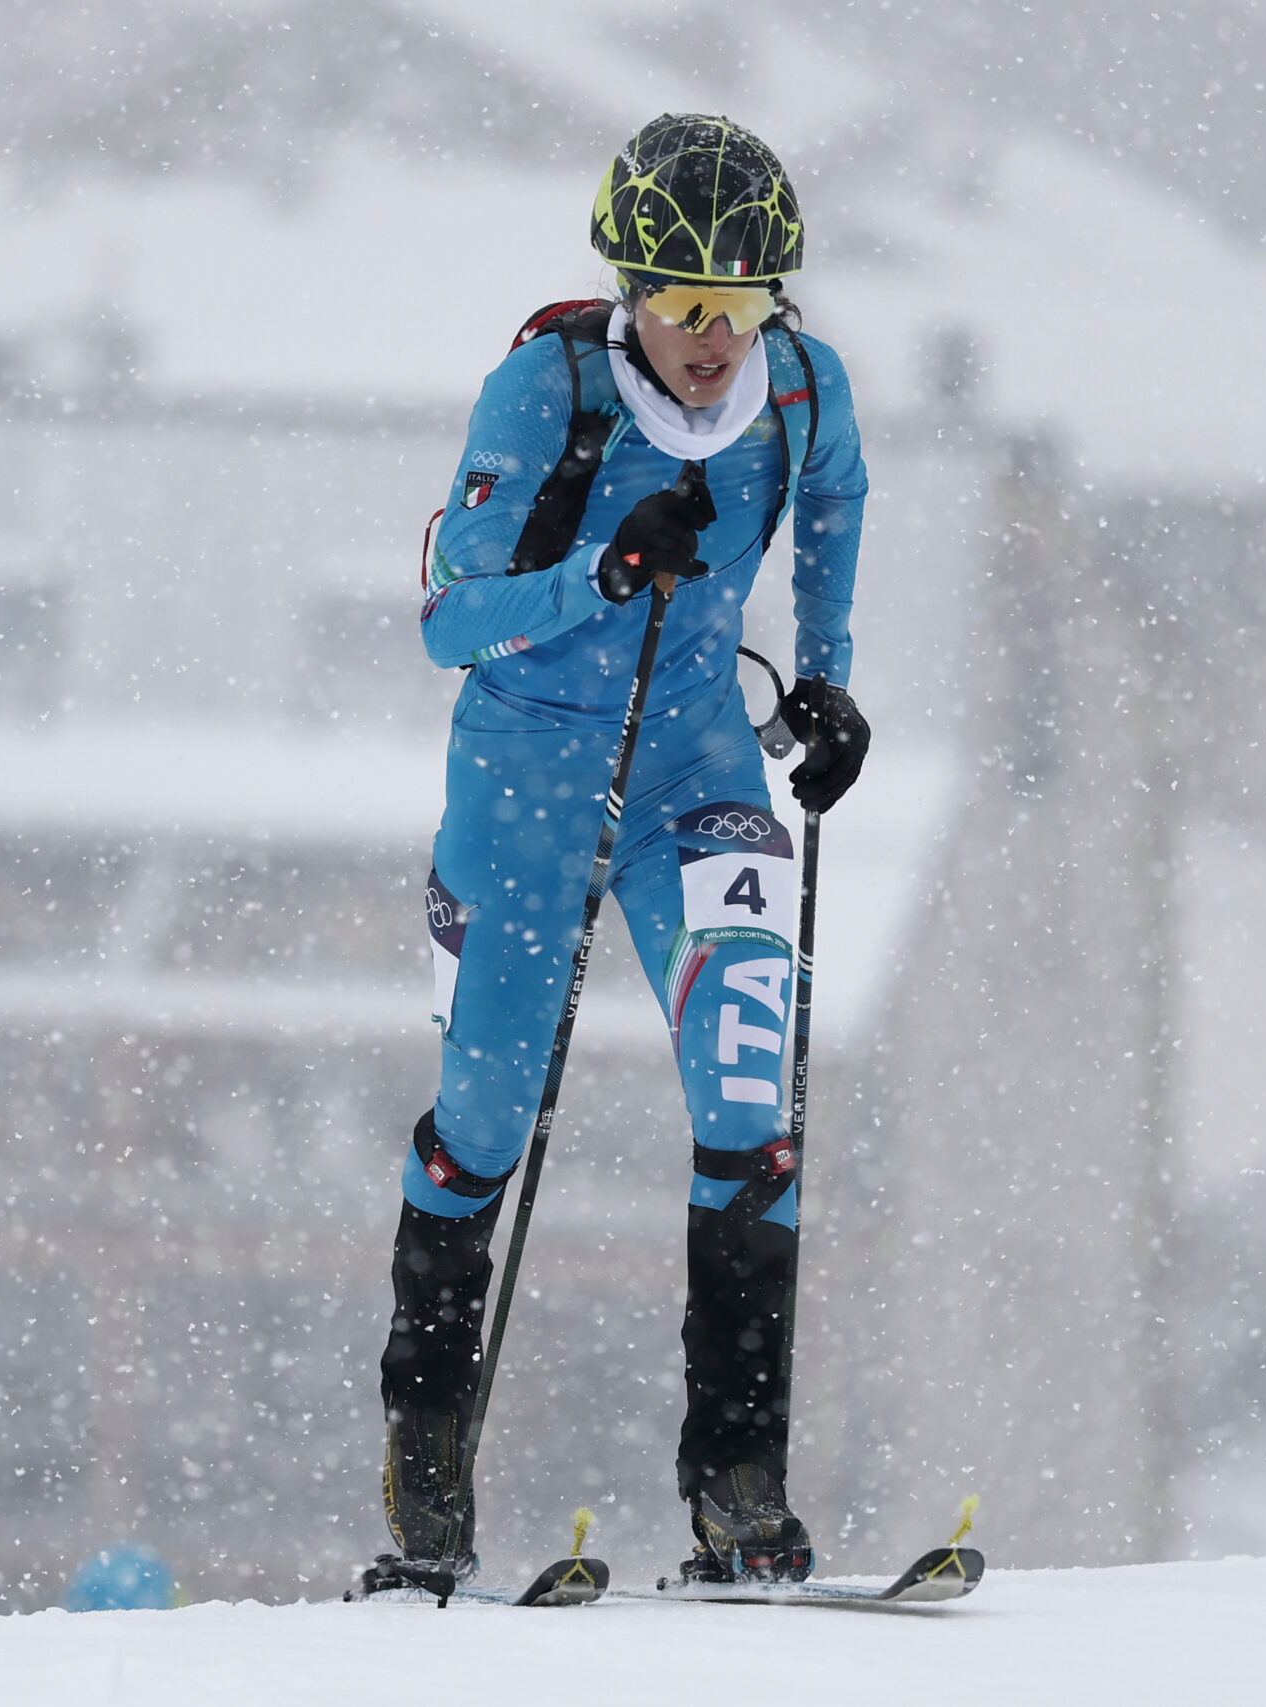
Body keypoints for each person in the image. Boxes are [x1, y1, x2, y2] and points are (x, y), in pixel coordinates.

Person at [379, 113, 870, 1585]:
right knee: (486, 1121)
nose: (713, 339)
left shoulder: (800, 387)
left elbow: (836, 500)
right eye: (680, 303)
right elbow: (446, 621)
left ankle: (736, 1483)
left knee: (751, 1095)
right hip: (527, 777)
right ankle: (424, 1479)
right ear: (627, 291)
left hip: (693, 771)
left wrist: (830, 678)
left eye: (741, 305)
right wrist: (599, 570)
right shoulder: (547, 393)